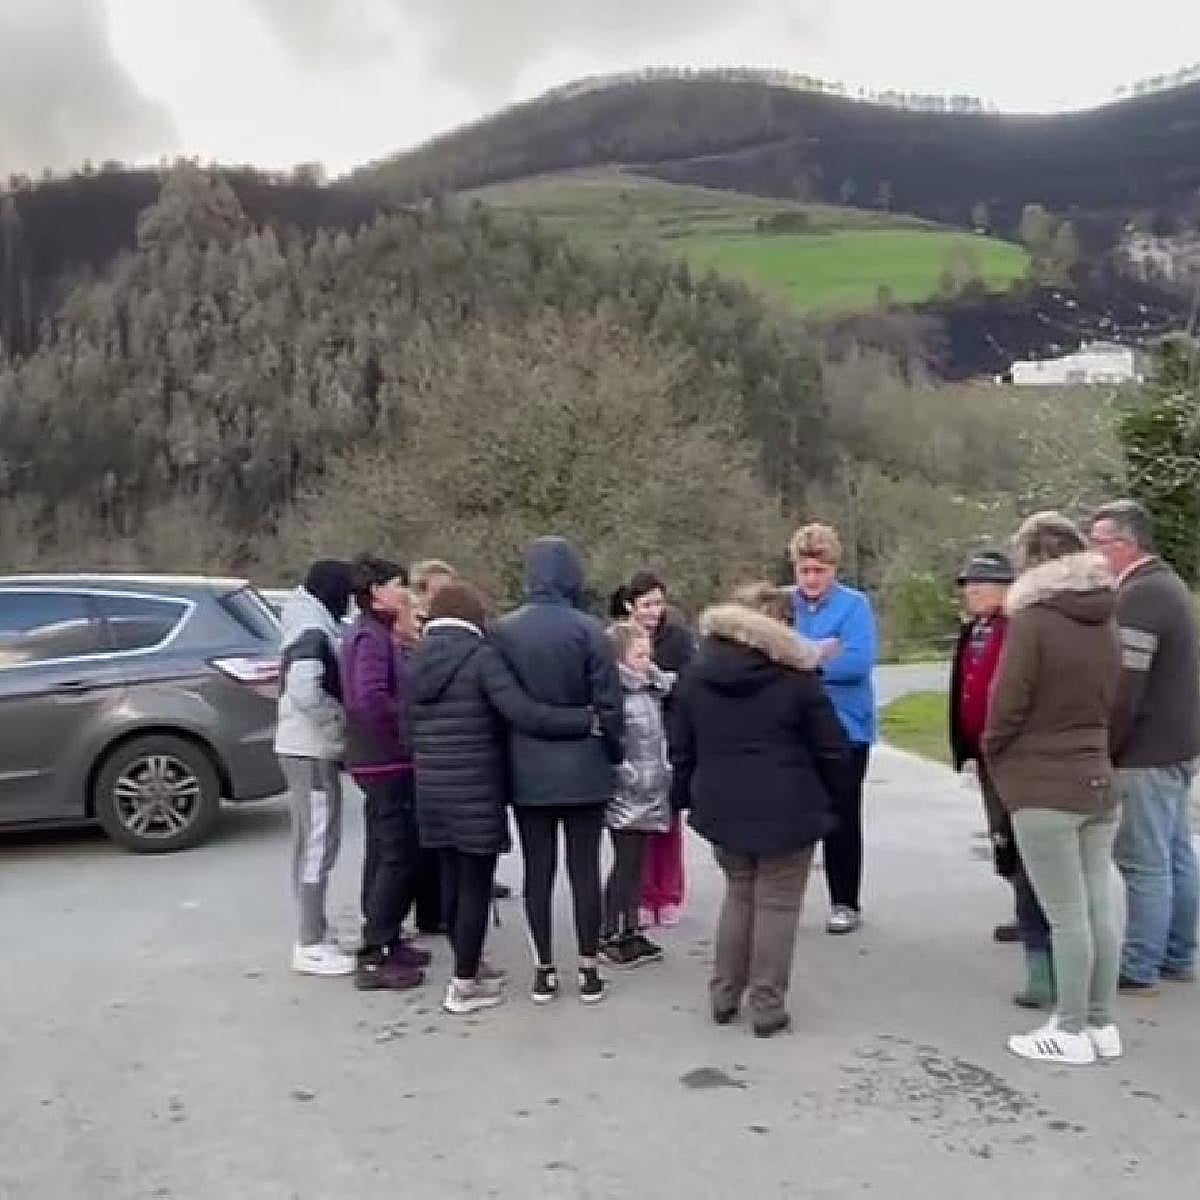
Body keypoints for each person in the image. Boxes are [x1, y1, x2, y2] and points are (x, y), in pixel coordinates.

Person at [671, 584, 848, 1037]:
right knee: (778, 904)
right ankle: (767, 1004)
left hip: (721, 802)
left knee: (739, 893)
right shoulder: (796, 678)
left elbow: (681, 748)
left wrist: (686, 796)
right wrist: (833, 797)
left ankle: (724, 993)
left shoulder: (695, 675)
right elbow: (832, 747)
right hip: (789, 804)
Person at [409, 582, 593, 1015]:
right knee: (475, 885)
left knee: (452, 881)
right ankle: (463, 984)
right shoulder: (480, 658)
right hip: (476, 786)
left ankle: (467, 965)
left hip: (432, 788)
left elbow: (405, 728)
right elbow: (522, 712)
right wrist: (582, 720)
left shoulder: (416, 660)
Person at [983, 512, 1123, 1066]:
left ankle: (1069, 1028)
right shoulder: (1105, 617)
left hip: (1044, 782)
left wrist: (994, 750)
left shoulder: (1035, 622)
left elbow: (1007, 703)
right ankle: (1100, 1021)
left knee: (1066, 915)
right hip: (1096, 773)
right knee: (1097, 908)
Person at [491, 537, 625, 1006]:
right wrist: (614, 753)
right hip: (585, 764)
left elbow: (501, 705)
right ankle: (588, 966)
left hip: (528, 766)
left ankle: (544, 968)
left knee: (538, 870)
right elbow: (610, 704)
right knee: (584, 869)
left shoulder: (503, 632)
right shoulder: (591, 630)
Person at [1090, 499, 1200, 994]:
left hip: (1147, 751)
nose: (1094, 553)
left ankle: (1140, 965)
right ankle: (1177, 953)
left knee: (1144, 861)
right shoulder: (1167, 586)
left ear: (1127, 543)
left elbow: (1126, 686)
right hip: (1177, 744)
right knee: (1175, 854)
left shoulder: (1140, 596)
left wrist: (1107, 746)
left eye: (1099, 542)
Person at [949, 550, 1055, 1008]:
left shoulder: (1017, 629)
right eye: (968, 583)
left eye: (982, 583)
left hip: (1014, 753)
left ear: (1007, 587)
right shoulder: (975, 629)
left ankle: (1040, 934)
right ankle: (1022, 910)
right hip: (986, 752)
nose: (972, 590)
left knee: (1024, 841)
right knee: (1003, 839)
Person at [340, 556, 430, 992]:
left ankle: (389, 937)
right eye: (398, 584)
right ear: (375, 591)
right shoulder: (369, 637)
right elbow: (369, 698)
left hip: (384, 759)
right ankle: (374, 953)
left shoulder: (377, 633)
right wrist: (405, 731)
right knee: (396, 854)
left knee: (386, 850)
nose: (405, 593)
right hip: (383, 761)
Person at [790, 523, 878, 935]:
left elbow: (856, 663)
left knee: (841, 815)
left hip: (846, 727)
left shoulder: (854, 606)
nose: (811, 579)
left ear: (833, 570)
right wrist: (822, 652)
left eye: (819, 571)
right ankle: (783, 899)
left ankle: (845, 900)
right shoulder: (785, 605)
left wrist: (802, 659)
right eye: (804, 570)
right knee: (793, 814)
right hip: (794, 727)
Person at [275, 559, 357, 977]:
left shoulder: (305, 618)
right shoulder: (313, 628)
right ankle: (309, 942)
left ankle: (316, 931)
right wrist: (337, 723)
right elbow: (306, 689)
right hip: (311, 749)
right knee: (317, 844)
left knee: (310, 842)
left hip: (300, 747)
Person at [611, 570, 695, 927]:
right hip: (634, 743)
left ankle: (669, 892)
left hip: (669, 738)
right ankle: (642, 895)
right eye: (646, 604)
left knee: (668, 823)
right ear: (630, 605)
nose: (654, 612)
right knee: (636, 828)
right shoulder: (617, 639)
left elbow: (687, 684)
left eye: (659, 603)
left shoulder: (678, 639)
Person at [600, 621, 673, 968]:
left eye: (648, 654)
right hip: (628, 790)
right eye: (639, 655)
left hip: (651, 786)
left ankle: (631, 928)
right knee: (625, 863)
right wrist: (623, 775)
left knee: (638, 864)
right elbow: (612, 742)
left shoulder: (651, 689)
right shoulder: (616, 694)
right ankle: (609, 932)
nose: (647, 661)